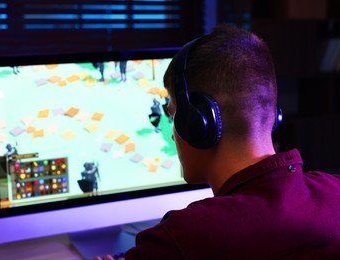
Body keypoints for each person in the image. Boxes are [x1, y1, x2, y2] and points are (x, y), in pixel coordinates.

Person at [94, 25, 340, 259]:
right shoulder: (335, 192)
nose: (172, 134)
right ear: (273, 116)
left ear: (198, 123)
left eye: (173, 116)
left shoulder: (178, 240)